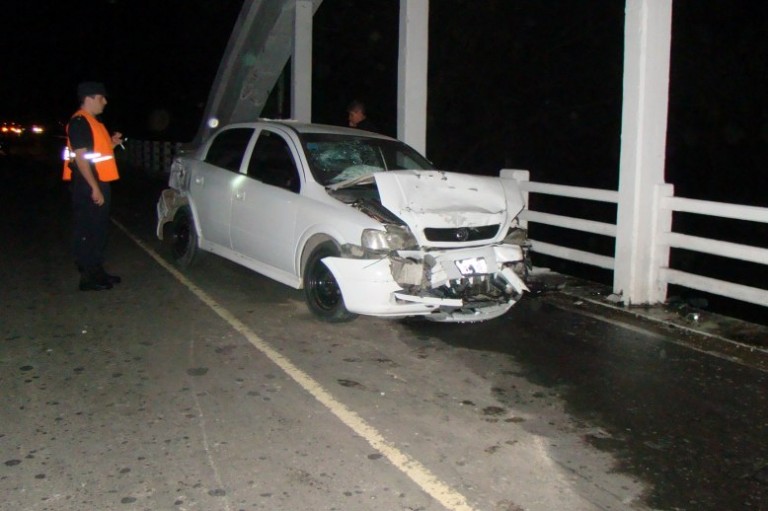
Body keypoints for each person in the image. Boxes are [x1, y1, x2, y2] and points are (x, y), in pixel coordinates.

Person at [62, 81, 123, 291]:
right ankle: (88, 277)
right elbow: (81, 159)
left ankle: (97, 271)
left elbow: (96, 154)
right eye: (101, 97)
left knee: (98, 229)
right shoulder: (80, 122)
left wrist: (112, 143)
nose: (105, 102)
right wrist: (94, 187)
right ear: (89, 98)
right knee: (88, 230)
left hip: (98, 180)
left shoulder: (94, 122)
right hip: (88, 183)